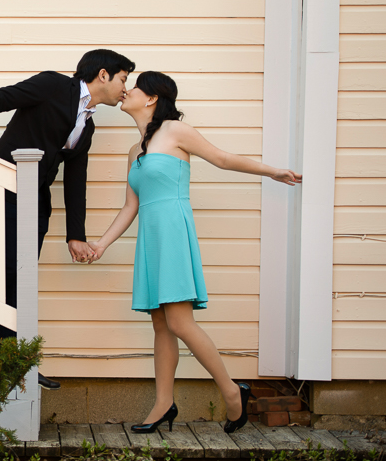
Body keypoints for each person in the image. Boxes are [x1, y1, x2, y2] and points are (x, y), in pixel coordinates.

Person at [87, 71, 301, 433]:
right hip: (150, 237)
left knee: (180, 321)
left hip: (172, 229)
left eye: (133, 87)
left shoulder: (175, 130)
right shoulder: (134, 151)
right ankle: (163, 404)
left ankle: (233, 392)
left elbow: (222, 158)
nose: (126, 91)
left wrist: (272, 171)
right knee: (161, 323)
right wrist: (101, 245)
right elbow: (130, 207)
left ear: (152, 98)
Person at [0, 49, 136, 390]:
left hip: (37, 198)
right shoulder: (53, 84)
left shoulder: (87, 123)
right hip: (2, 182)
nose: (125, 88)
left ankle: (12, 362)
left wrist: (75, 234)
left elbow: (75, 179)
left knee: (19, 277)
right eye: (123, 79)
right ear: (104, 74)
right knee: (13, 264)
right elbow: (1, 98)